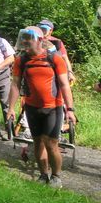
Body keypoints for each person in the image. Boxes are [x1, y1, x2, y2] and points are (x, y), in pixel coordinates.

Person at [7, 26, 76, 188]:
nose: (24, 42)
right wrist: (10, 108)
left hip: (53, 108)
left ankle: (56, 177)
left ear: (39, 40)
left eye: (28, 38)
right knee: (37, 142)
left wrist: (70, 110)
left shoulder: (55, 59)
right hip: (32, 108)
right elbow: (15, 85)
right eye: (22, 38)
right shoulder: (21, 60)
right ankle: (43, 175)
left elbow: (65, 85)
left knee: (51, 143)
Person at [37, 19, 75, 85]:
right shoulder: (34, 41)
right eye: (39, 29)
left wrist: (70, 72)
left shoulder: (57, 42)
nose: (41, 31)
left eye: (43, 29)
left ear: (50, 31)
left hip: (54, 73)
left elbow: (65, 57)